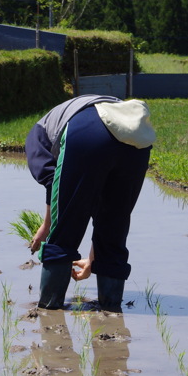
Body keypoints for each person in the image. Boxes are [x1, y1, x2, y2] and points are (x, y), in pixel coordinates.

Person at [25, 94, 155, 312]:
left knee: (65, 228)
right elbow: (104, 206)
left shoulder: (35, 138)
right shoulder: (93, 108)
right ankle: (111, 306)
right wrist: (92, 259)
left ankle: (49, 307)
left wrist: (47, 227)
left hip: (88, 131)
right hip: (136, 140)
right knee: (115, 220)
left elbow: (53, 184)